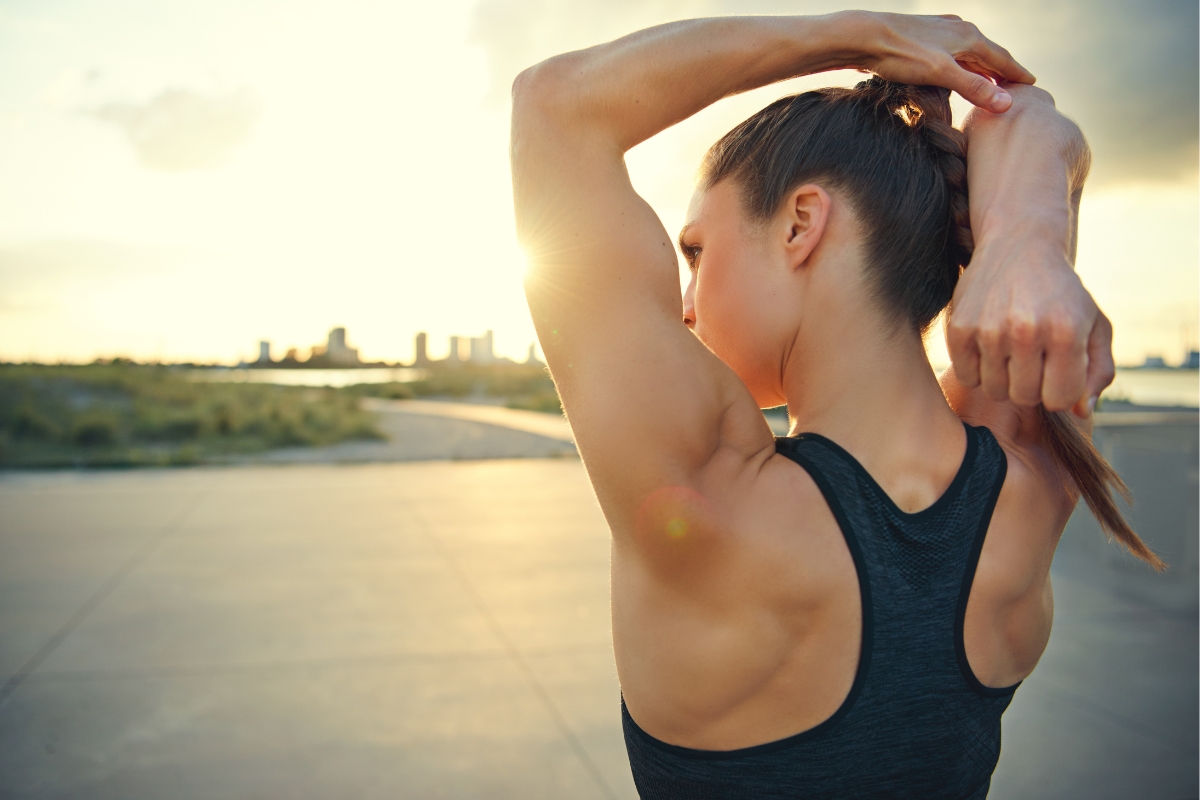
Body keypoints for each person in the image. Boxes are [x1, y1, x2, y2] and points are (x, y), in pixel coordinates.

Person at [509, 12, 1161, 798]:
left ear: (800, 224)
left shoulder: (709, 493)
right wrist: (1025, 233)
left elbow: (555, 104)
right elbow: (1031, 118)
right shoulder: (1029, 476)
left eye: (697, 252)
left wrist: (859, 35)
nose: (685, 304)